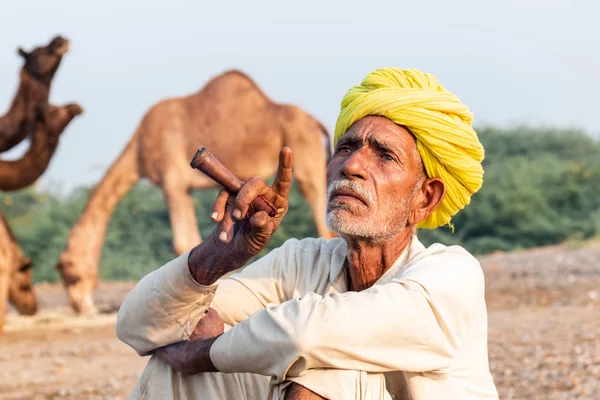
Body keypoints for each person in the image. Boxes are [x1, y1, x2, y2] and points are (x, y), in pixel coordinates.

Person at [116, 68, 499, 400]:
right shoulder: (302, 262)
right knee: (171, 368)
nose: (352, 166)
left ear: (425, 198)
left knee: (333, 369)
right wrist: (219, 257)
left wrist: (206, 353)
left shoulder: (452, 275)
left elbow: (307, 334)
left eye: (384, 156)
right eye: (345, 148)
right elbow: (139, 326)